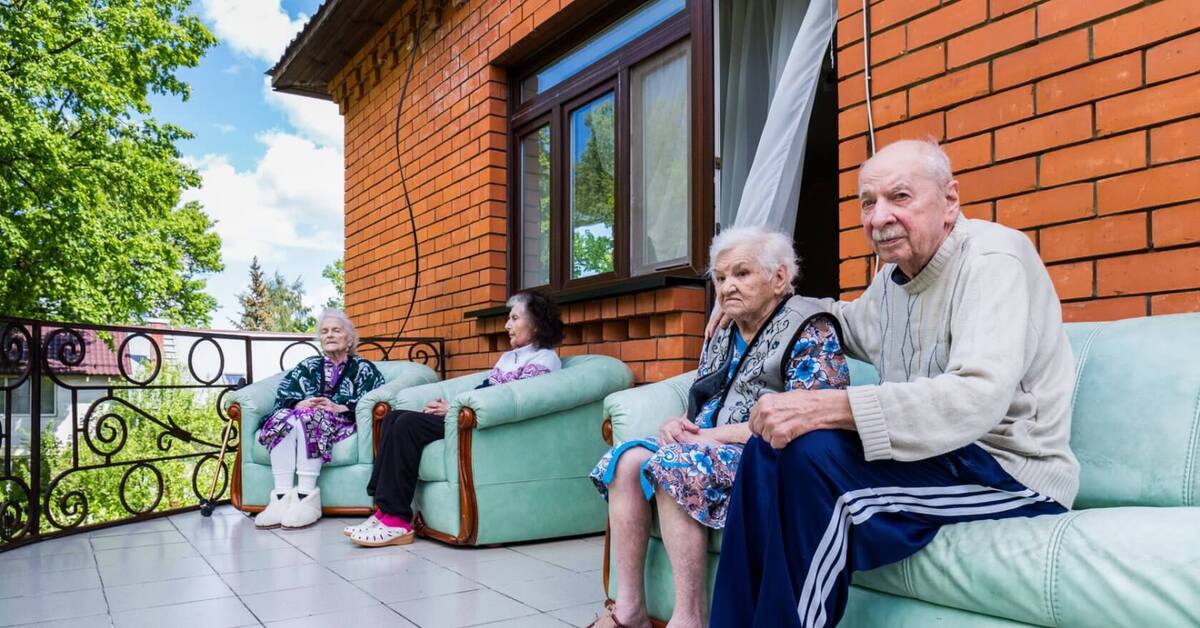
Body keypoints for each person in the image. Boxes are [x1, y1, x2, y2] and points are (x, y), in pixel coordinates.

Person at [709, 139, 1080, 627]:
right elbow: (841, 321)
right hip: (934, 458)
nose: (879, 217)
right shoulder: (894, 279)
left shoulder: (993, 258)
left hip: (1008, 470)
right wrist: (754, 305)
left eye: (899, 197)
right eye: (868, 202)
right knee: (767, 449)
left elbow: (977, 395)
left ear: (950, 201)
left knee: (812, 463)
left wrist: (828, 407)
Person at [587, 227, 850, 628]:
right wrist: (682, 424)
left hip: (767, 456)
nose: (727, 287)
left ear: (779, 278)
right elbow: (707, 401)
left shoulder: (810, 329)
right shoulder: (723, 331)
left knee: (678, 463)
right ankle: (629, 610)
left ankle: (689, 617)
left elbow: (810, 421)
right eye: (720, 277)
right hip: (707, 445)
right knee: (625, 461)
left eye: (741, 274)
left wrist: (706, 437)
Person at [345, 290, 564, 546]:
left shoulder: (545, 359)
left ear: (536, 324)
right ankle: (383, 510)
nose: (507, 325)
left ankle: (397, 520)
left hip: (486, 425)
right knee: (395, 417)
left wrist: (453, 409)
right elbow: (487, 388)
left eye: (514, 318)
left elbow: (515, 399)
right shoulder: (509, 357)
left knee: (406, 425)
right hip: (470, 416)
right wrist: (452, 405)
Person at [255, 309, 386, 530]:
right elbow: (284, 394)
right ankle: (281, 497)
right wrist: (298, 403)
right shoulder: (308, 365)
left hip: (341, 421)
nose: (330, 335)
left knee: (312, 417)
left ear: (350, 338)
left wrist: (339, 407)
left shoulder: (363, 368)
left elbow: (375, 398)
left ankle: (307, 498)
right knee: (283, 419)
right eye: (324, 331)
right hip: (301, 417)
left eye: (336, 330)